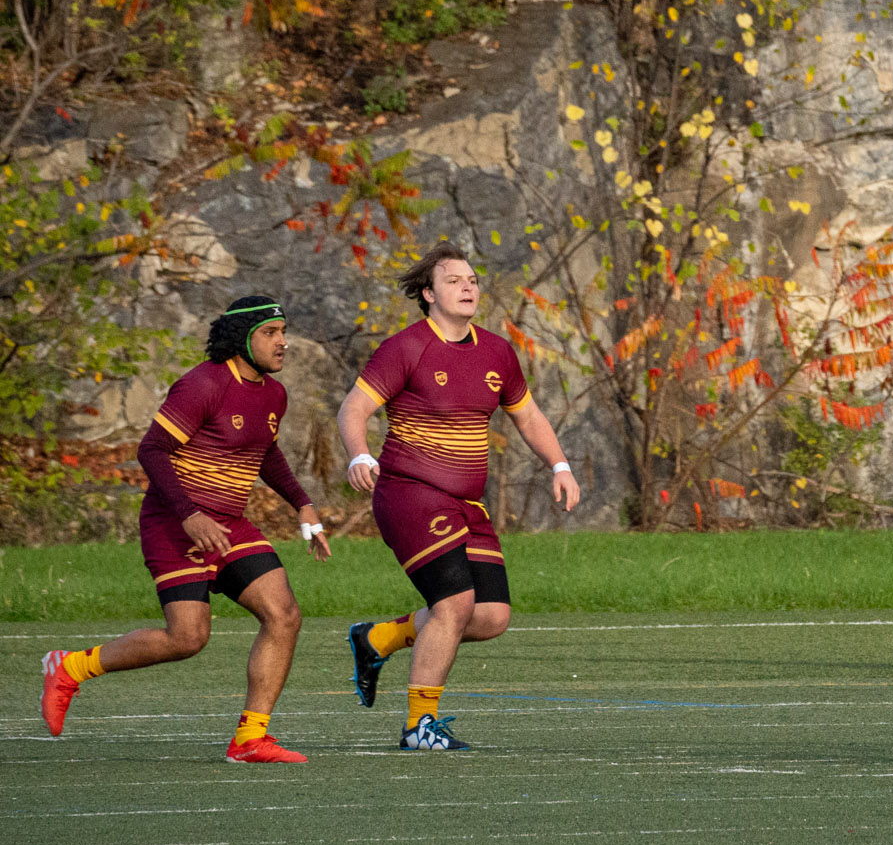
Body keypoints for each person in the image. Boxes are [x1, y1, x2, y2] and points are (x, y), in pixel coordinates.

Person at [39, 296, 330, 762]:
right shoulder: (202, 385)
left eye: (284, 331)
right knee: (187, 639)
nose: (283, 342)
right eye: (272, 333)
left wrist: (303, 504)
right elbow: (151, 450)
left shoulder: (274, 394)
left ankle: (249, 738)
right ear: (243, 338)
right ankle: (71, 667)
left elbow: (266, 452)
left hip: (229, 525)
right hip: (175, 525)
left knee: (284, 615)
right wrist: (190, 515)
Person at [340, 244, 580, 751]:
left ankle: (379, 638)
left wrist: (559, 465)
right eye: (454, 281)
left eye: (472, 279)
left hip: (467, 504)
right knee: (453, 602)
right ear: (428, 294)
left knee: (491, 617)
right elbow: (353, 409)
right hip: (411, 493)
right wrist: (359, 455)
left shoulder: (495, 351)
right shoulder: (406, 348)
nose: (468, 287)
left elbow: (529, 416)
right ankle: (418, 728)